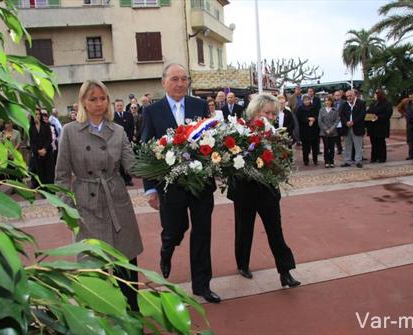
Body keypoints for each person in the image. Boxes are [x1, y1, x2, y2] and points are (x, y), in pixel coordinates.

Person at [55, 79, 143, 311]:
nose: (99, 103)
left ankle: (133, 315)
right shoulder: (70, 132)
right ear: (83, 102)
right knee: (94, 266)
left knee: (127, 263)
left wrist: (163, 159)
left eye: (103, 98)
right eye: (92, 99)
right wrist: (66, 210)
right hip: (86, 203)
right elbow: (61, 177)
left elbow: (133, 166)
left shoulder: (118, 130)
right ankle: (97, 318)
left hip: (117, 200)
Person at [141, 63, 221, 303]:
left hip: (200, 185)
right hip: (170, 186)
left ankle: (202, 284)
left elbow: (212, 139)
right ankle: (167, 250)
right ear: (164, 81)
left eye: (184, 79)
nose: (180, 83)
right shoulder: (152, 112)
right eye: (174, 79)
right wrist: (151, 189)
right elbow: (146, 152)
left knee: (202, 233)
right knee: (175, 230)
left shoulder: (199, 106)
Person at [227, 93, 300, 288]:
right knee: (244, 229)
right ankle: (242, 264)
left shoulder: (275, 133)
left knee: (275, 230)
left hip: (267, 189)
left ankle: (285, 271)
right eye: (267, 113)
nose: (271, 117)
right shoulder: (240, 130)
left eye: (274, 114)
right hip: (245, 189)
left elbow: (282, 160)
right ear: (256, 111)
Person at [339, 89, 367, 168]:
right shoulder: (344, 104)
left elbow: (362, 115)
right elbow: (341, 115)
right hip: (347, 127)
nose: (349, 97)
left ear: (354, 95)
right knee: (347, 145)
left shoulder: (361, 103)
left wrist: (353, 122)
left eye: (350, 96)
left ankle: (358, 161)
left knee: (358, 145)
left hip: (357, 127)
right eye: (347, 96)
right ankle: (347, 161)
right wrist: (346, 122)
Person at [366, 89, 393, 163]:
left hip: (381, 126)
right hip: (372, 126)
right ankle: (374, 157)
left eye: (376, 94)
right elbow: (369, 112)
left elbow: (388, 114)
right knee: (373, 143)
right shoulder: (373, 103)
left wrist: (378, 117)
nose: (374, 96)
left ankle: (382, 157)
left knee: (380, 142)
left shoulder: (387, 103)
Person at [29, 108, 54, 186]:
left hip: (47, 152)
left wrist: (44, 149)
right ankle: (43, 188)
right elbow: (32, 142)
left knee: (49, 171)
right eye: (35, 114)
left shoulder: (46, 125)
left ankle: (51, 189)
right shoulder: (30, 128)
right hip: (38, 154)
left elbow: (49, 139)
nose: (37, 116)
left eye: (39, 114)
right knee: (40, 172)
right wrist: (38, 151)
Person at [114, 99, 135, 186]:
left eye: (120, 105)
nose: (119, 107)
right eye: (117, 106)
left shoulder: (128, 115)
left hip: (127, 141)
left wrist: (129, 139)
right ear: (115, 107)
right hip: (116, 142)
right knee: (119, 162)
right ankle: (122, 180)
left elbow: (131, 127)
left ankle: (128, 179)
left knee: (127, 160)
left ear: (123, 106)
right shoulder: (112, 117)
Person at [296, 95, 320, 165]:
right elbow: (299, 118)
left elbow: (318, 115)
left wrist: (313, 119)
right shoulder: (300, 108)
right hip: (304, 130)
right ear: (303, 101)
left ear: (310, 100)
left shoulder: (314, 107)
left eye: (308, 100)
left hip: (314, 129)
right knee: (305, 147)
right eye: (305, 100)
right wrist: (308, 120)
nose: (307, 101)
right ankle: (306, 160)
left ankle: (315, 160)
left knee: (315, 146)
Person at [318, 95, 340, 168]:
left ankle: (332, 161)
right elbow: (320, 121)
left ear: (331, 101)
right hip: (324, 132)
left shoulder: (335, 110)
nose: (327, 102)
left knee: (332, 147)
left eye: (329, 100)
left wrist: (331, 129)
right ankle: (326, 161)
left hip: (333, 132)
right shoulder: (321, 110)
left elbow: (337, 120)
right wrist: (326, 129)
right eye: (326, 101)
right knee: (326, 147)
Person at [397, 90, 413, 160]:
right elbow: (399, 107)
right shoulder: (405, 101)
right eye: (410, 95)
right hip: (409, 123)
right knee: (410, 139)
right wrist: (404, 114)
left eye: (412, 94)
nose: (411, 96)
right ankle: (411, 155)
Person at [333, 90, 344, 154]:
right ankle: (339, 149)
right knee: (337, 137)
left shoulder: (344, 102)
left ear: (340, 95)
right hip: (336, 123)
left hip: (342, 121)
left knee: (345, 136)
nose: (337, 96)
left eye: (338, 95)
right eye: (336, 95)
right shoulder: (333, 103)